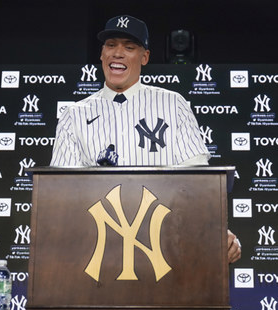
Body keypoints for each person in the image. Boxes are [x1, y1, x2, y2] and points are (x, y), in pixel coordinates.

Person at [50, 14, 241, 263]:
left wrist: (215, 231)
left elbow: (196, 182)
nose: (117, 53)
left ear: (145, 57)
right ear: (101, 54)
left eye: (129, 47)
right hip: (95, 247)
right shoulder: (73, 115)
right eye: (111, 45)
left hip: (164, 241)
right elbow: (60, 193)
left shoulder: (173, 104)